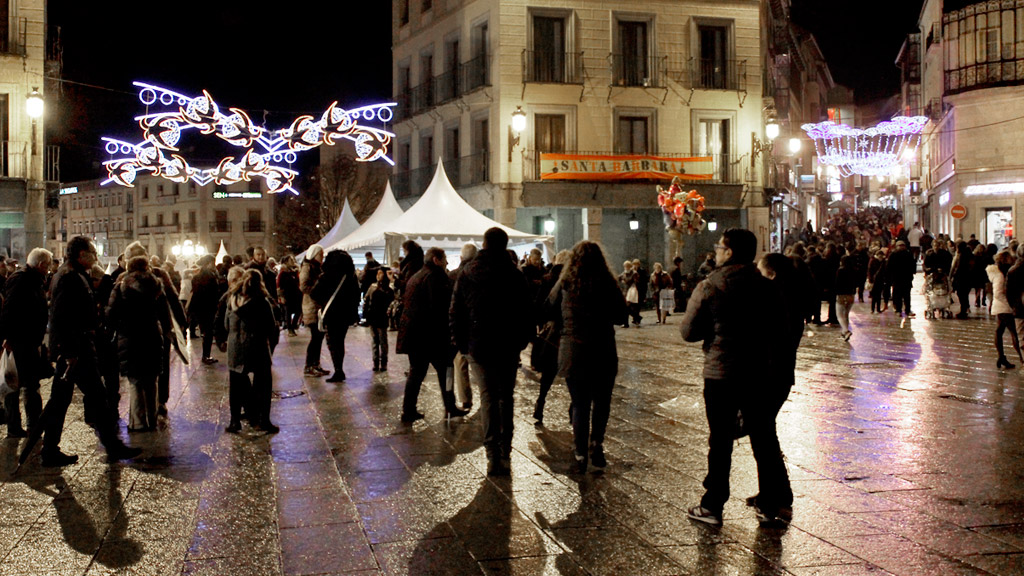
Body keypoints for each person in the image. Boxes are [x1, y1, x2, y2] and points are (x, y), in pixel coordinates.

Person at [679, 228, 790, 526]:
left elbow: (688, 331)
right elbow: (781, 329)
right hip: (759, 373)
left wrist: (715, 329)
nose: (715, 252)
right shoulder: (768, 287)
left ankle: (713, 504)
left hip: (721, 373)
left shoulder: (709, 286)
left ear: (728, 252)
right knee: (763, 437)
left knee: (720, 440)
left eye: (719, 247)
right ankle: (770, 504)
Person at [41, 236, 142, 467]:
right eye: (92, 253)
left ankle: (51, 449)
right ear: (80, 255)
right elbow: (61, 317)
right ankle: (109, 446)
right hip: (75, 352)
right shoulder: (68, 278)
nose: (95, 257)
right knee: (92, 398)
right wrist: (68, 351)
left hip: (78, 348)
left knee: (70, 400)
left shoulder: (75, 275)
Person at [450, 228, 532, 476]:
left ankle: (492, 452)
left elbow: (455, 311)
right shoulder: (514, 274)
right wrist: (521, 341)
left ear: (484, 244)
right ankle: (505, 447)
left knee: (487, 397)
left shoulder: (468, 273)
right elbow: (526, 311)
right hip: (506, 343)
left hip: (478, 343)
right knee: (505, 397)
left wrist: (462, 343)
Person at [548, 241, 626, 472]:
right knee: (602, 401)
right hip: (603, 350)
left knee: (580, 403)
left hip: (574, 351)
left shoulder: (565, 283)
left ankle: (580, 454)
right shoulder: (608, 283)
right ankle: (596, 443)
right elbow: (622, 315)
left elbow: (547, 309)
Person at [398, 247, 466, 422]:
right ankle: (450, 407)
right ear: (436, 260)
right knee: (446, 371)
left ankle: (408, 410)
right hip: (431, 337)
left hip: (415, 336)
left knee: (416, 374)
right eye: (444, 259)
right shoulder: (436, 276)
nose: (447, 263)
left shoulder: (417, 276)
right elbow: (440, 309)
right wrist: (450, 335)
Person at [106, 256, 171, 432]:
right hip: (151, 334)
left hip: (130, 336)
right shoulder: (156, 284)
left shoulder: (121, 285)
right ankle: (152, 418)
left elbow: (111, 312)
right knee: (151, 379)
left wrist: (110, 330)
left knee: (135, 381)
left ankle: (138, 422)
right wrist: (167, 330)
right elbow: (164, 312)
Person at [0, 248, 51, 437]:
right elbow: (9, 311)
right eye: (47, 265)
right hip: (20, 340)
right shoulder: (22, 280)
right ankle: (17, 425)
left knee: (29, 383)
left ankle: (32, 424)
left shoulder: (32, 280)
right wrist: (7, 337)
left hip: (28, 340)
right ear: (40, 264)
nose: (47, 270)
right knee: (17, 383)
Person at [224, 269, 281, 433]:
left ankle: (235, 421)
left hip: (235, 347)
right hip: (257, 346)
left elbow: (226, 325)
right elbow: (271, 326)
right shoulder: (262, 302)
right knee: (263, 383)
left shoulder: (232, 299)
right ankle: (264, 421)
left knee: (235, 385)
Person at [532, 249, 570, 425]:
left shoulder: (547, 279)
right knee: (571, 371)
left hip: (552, 332)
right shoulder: (572, 281)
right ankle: (573, 408)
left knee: (548, 372)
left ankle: (540, 402)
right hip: (568, 331)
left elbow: (539, 306)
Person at [312, 250, 360, 382]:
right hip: (345, 315)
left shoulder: (327, 276)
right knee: (340, 341)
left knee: (333, 342)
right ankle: (339, 369)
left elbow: (314, 293)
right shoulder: (350, 276)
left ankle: (338, 370)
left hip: (332, 314)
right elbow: (356, 295)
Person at [448, 243, 478, 410]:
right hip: (477, 328)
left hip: (458, 328)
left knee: (460, 365)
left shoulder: (452, 276)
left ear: (460, 258)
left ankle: (466, 398)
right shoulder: (481, 275)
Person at [988, 250, 1023, 369]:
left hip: (1001, 306)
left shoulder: (1002, 271)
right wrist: (1010, 305)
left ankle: (1001, 357)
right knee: (1015, 333)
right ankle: (1021, 358)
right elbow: (998, 292)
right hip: (1004, 307)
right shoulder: (1000, 273)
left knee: (999, 331)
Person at [300, 244, 329, 376]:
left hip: (318, 307)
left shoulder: (317, 268)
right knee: (315, 337)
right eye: (320, 254)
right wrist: (317, 290)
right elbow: (304, 286)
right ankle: (309, 365)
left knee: (318, 337)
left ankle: (315, 364)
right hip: (312, 307)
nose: (322, 257)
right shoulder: (307, 267)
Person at [189, 255, 222, 364]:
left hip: (199, 307)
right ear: (209, 263)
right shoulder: (211, 276)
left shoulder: (196, 276)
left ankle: (205, 355)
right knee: (208, 332)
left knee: (205, 331)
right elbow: (215, 293)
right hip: (208, 307)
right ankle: (206, 356)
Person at [364, 269, 394, 372]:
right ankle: (380, 363)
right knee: (379, 341)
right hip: (378, 318)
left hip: (377, 318)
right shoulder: (386, 290)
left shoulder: (376, 288)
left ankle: (379, 363)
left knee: (378, 341)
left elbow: (366, 301)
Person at [887, 241, 916, 318]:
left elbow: (913, 264)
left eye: (903, 245)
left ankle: (908, 310)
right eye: (900, 245)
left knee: (907, 295)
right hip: (897, 278)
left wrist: (912, 273)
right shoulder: (893, 255)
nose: (901, 247)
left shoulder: (908, 254)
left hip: (906, 278)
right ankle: (898, 309)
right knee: (897, 296)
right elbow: (889, 267)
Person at [276, 255, 302, 336]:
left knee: (298, 310)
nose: (293, 261)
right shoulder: (283, 273)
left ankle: (294, 325)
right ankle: (290, 329)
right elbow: (279, 285)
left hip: (296, 295)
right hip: (288, 295)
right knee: (288, 312)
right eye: (291, 260)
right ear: (286, 262)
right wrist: (281, 296)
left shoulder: (294, 271)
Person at [834, 255, 859, 340]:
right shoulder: (854, 270)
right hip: (851, 295)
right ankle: (843, 332)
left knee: (839, 315)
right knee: (846, 314)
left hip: (841, 294)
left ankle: (846, 331)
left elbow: (837, 283)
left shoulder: (840, 270)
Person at [952, 241, 975, 318]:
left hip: (962, 278)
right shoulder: (971, 255)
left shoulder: (962, 256)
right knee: (964, 294)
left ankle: (963, 311)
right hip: (969, 278)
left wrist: (954, 277)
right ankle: (964, 309)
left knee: (961, 294)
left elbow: (959, 268)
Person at [619, 261, 640, 327]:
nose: (626, 268)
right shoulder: (624, 273)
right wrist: (622, 281)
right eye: (625, 266)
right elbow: (619, 277)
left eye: (627, 266)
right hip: (625, 291)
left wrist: (626, 281)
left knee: (630, 307)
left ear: (630, 266)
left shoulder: (634, 273)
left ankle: (636, 318)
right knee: (626, 308)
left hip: (632, 292)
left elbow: (636, 281)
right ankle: (627, 322)